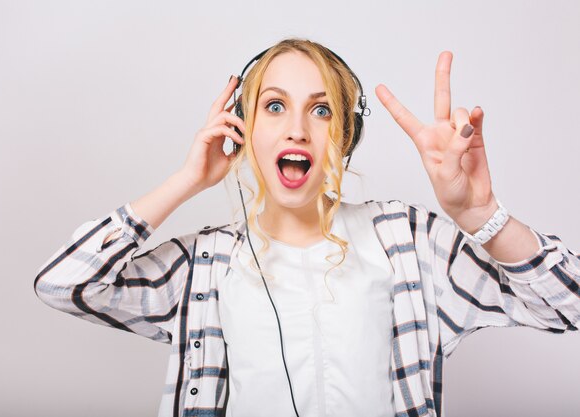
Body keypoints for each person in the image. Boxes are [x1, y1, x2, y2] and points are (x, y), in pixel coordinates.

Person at [34, 38, 580, 417]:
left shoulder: (405, 241)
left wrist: (480, 216)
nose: (297, 129)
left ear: (345, 135)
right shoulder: (206, 264)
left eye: (321, 111)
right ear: (243, 129)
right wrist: (185, 181)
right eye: (275, 106)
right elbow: (65, 285)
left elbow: (568, 305)